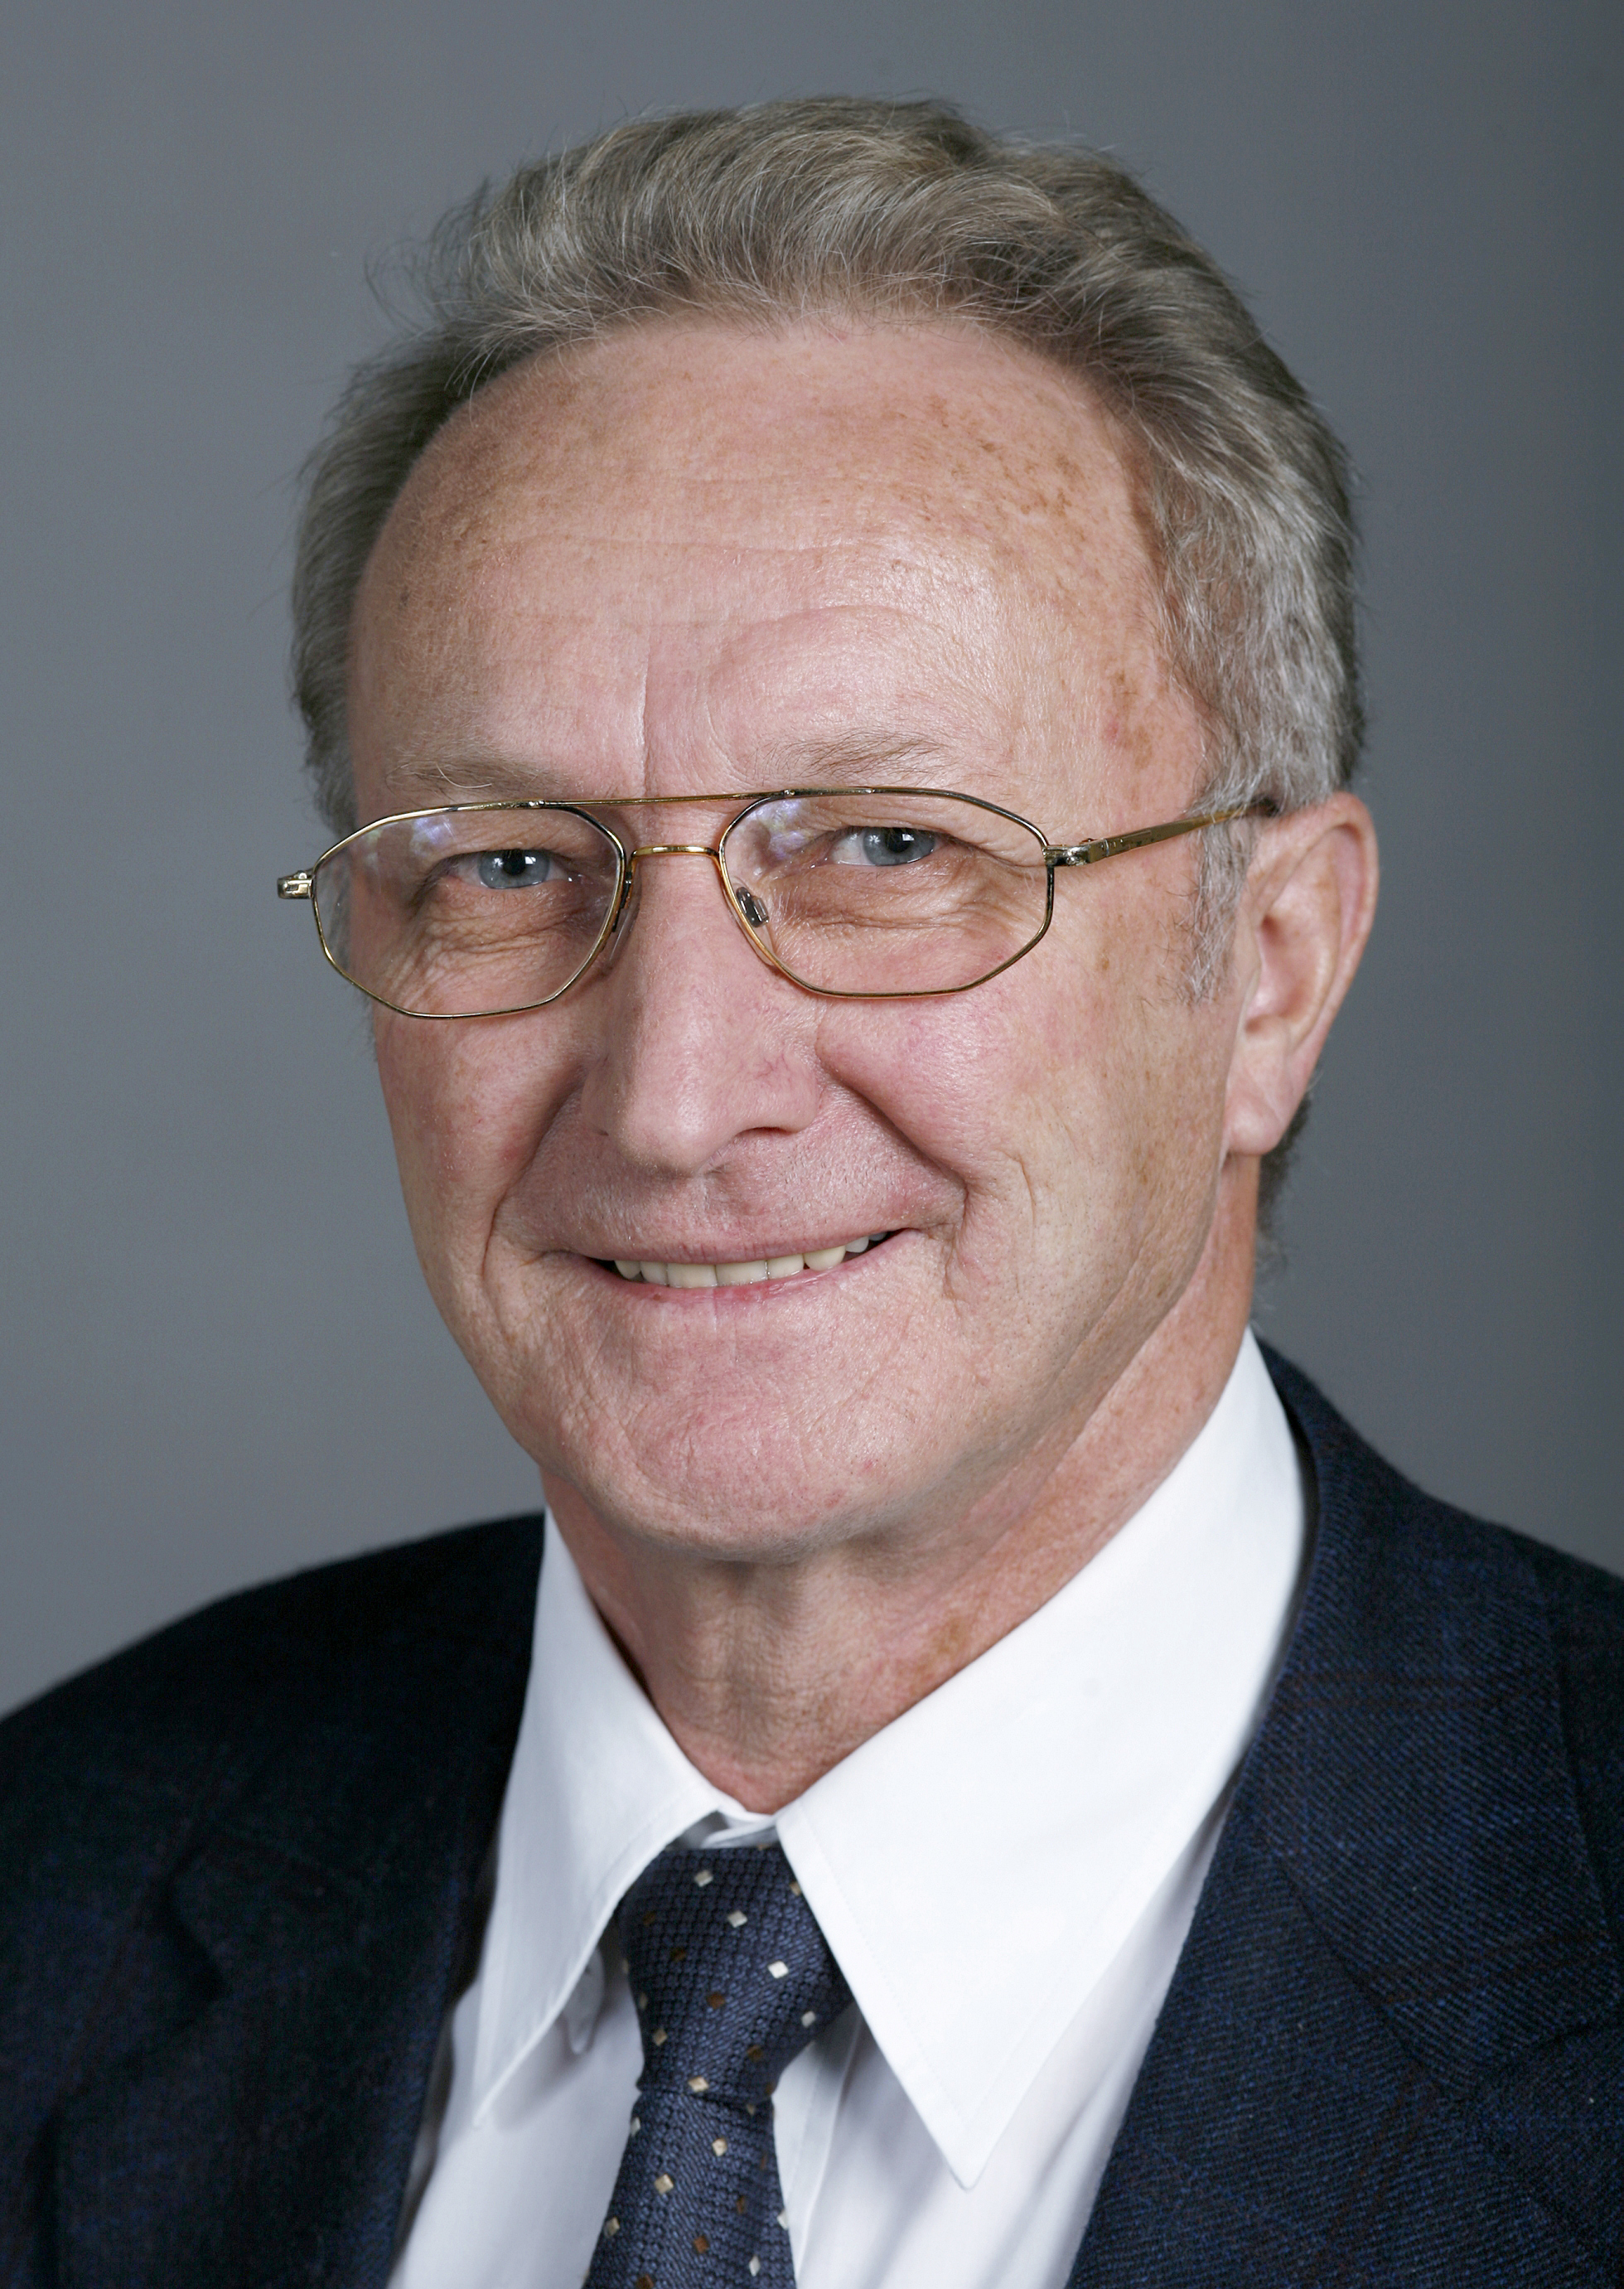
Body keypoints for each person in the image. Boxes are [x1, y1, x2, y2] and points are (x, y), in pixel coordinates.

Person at [2, 97, 1619, 2289]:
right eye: (510, 864)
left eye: (887, 848)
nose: (676, 1099)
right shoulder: (54, 1891)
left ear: (1269, 967)